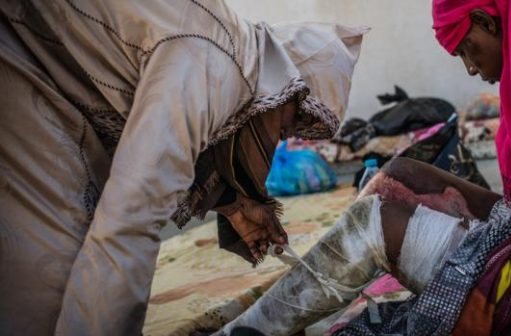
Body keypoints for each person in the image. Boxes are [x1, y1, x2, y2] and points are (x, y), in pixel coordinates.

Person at [217, 0, 511, 335]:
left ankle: (248, 331)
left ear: (489, 19)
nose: (470, 67)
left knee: (373, 222)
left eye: (469, 47)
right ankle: (315, 282)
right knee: (400, 173)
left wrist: (492, 251)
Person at [0, 0, 367, 334]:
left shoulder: (231, 59)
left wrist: (234, 205)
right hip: (22, 55)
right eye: (290, 123)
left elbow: (172, 152)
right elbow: (131, 217)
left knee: (54, 276)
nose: (284, 136)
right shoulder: (213, 66)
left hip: (38, 66)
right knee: (57, 282)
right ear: (289, 88)